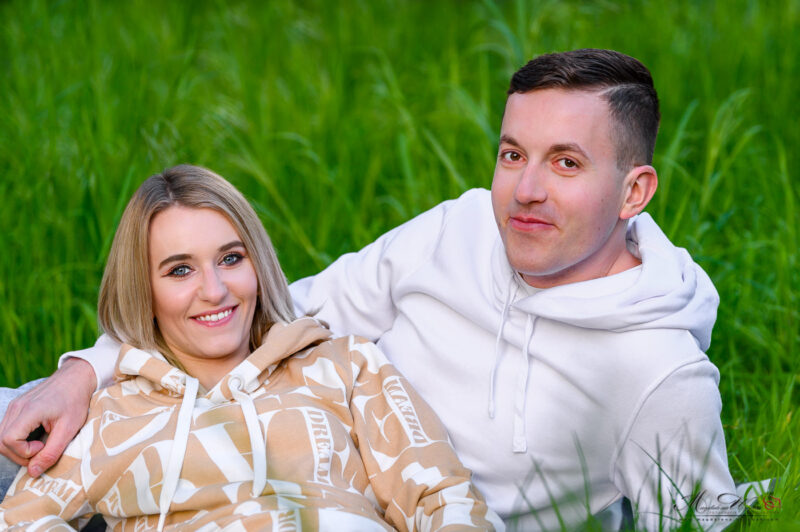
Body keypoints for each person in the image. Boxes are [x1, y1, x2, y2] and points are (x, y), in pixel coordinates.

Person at [1, 49, 737, 530]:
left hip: (352, 506)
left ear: (634, 190)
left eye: (567, 163)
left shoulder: (660, 376)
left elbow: (697, 517)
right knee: (17, 425)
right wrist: (83, 372)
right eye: (513, 154)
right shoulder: (458, 229)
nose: (525, 191)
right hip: (257, 422)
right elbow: (266, 314)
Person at [0, 166, 500, 531]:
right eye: (180, 270)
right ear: (143, 291)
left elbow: (443, 499)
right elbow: (21, 519)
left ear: (257, 263)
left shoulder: (345, 366)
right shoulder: (113, 412)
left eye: (230, 259)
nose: (215, 290)